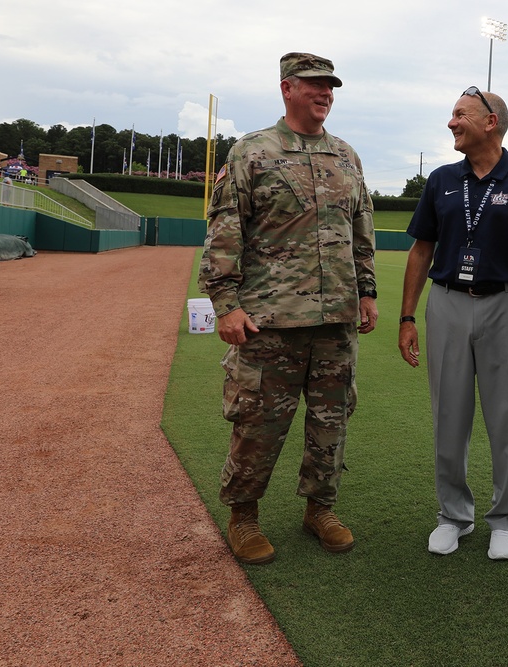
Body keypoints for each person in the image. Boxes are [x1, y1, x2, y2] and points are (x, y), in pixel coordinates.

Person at [199, 52, 377, 563]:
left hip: (336, 320)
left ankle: (320, 508)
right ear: (287, 89)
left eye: (330, 87)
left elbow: (360, 232)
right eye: (314, 85)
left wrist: (366, 291)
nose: (325, 94)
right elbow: (225, 230)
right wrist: (226, 304)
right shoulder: (251, 152)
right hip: (268, 320)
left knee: (332, 419)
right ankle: (244, 517)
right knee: (257, 420)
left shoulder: (346, 156)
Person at [399, 87, 508, 561]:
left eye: (460, 114)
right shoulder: (441, 180)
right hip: (447, 302)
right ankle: (453, 515)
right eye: (452, 115)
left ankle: (506, 519)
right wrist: (408, 316)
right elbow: (421, 251)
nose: (452, 122)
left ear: (491, 122)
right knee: (449, 414)